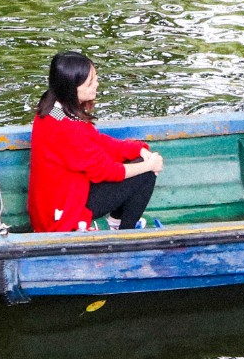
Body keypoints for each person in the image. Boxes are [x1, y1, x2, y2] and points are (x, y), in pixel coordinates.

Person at [28, 52, 164, 232]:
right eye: (90, 82)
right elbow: (108, 171)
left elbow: (94, 141)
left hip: (53, 201)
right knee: (145, 174)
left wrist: (138, 150)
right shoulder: (69, 129)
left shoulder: (52, 107)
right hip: (63, 213)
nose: (97, 85)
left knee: (139, 162)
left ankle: (116, 222)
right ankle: (126, 234)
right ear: (71, 87)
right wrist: (149, 165)